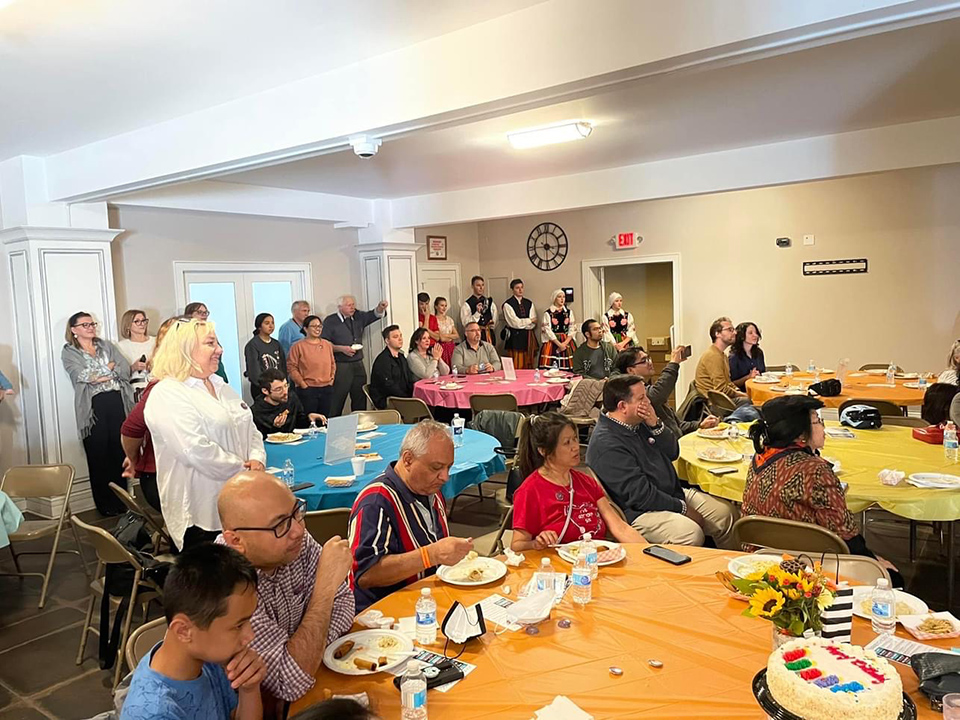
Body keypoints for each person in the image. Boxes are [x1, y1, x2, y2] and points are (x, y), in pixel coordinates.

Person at [218, 471, 355, 704]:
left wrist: (307, 648)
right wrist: (324, 591)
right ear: (236, 541)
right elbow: (290, 683)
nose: (298, 530)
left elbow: (345, 604)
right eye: (280, 524)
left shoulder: (292, 542)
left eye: (296, 512)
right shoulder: (227, 586)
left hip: (310, 688)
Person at [743, 395, 900, 582]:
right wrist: (873, 560)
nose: (823, 427)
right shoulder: (814, 469)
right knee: (892, 577)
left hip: (758, 559)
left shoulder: (759, 458)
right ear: (801, 433)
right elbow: (845, 533)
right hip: (806, 567)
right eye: (818, 421)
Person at [145, 318, 266, 550]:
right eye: (211, 343)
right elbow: (194, 450)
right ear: (185, 349)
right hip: (202, 514)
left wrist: (257, 458)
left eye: (217, 343)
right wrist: (244, 470)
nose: (219, 349)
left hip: (241, 502)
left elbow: (251, 429)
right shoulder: (168, 393)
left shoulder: (222, 386)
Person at [586, 375, 738, 548]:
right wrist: (682, 508)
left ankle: (729, 562)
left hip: (670, 493)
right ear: (622, 406)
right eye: (642, 398)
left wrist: (656, 424)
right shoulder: (607, 444)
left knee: (726, 514)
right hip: (638, 512)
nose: (648, 402)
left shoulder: (639, 421)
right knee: (690, 533)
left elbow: (673, 452)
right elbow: (641, 496)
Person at [120, 544, 265, 720]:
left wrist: (249, 689)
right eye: (239, 626)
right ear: (184, 631)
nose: (250, 636)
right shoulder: (155, 713)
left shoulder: (205, 656)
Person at [348, 421, 474, 612]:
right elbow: (365, 574)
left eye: (449, 467)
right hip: (383, 614)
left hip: (427, 600)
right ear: (407, 460)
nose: (445, 477)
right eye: (436, 467)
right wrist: (430, 555)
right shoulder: (376, 501)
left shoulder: (430, 490)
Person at [510, 412, 645, 551]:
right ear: (544, 451)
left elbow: (620, 527)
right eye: (567, 443)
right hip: (559, 561)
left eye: (575, 439)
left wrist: (648, 552)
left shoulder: (586, 482)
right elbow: (517, 545)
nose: (575, 447)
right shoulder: (530, 490)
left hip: (596, 557)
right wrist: (536, 544)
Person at [61, 311, 134, 516]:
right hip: (93, 406)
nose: (91, 327)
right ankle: (105, 505)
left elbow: (124, 369)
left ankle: (122, 501)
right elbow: (82, 375)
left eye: (92, 323)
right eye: (85, 325)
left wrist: (102, 373)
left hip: (116, 401)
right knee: (98, 455)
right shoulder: (69, 352)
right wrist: (108, 369)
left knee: (118, 452)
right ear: (74, 330)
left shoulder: (106, 346)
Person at [121, 316, 179, 513]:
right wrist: (134, 459)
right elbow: (131, 429)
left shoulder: (214, 384)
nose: (218, 350)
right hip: (166, 477)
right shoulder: (161, 388)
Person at [614, 346, 719, 438]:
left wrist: (700, 425)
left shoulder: (648, 390)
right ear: (630, 370)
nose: (650, 362)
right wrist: (673, 363)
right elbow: (657, 394)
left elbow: (677, 426)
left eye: (648, 358)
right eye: (644, 360)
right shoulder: (636, 395)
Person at [321, 295, 388, 416]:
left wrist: (380, 307)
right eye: (349, 305)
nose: (352, 307)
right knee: (338, 398)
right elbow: (324, 343)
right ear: (340, 307)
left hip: (358, 363)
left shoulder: (358, 316)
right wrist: (341, 349)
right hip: (341, 364)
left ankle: (359, 423)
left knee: (360, 397)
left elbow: (373, 315)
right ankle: (333, 423)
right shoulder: (330, 321)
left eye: (353, 304)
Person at [252, 369, 326, 438]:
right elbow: (259, 439)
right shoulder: (256, 412)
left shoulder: (291, 398)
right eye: (279, 389)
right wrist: (275, 427)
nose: (285, 392)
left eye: (285, 386)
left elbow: (300, 423)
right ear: (265, 391)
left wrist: (309, 418)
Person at [287, 315, 336, 417]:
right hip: (307, 389)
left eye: (320, 326)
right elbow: (291, 367)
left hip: (326, 388)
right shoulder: (297, 346)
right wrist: (302, 384)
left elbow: (332, 364)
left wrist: (331, 380)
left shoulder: (327, 344)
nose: (318, 329)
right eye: (314, 326)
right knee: (308, 419)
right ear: (305, 329)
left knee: (324, 419)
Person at [694, 316, 750, 403]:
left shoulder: (722, 355)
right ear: (717, 334)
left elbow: (728, 383)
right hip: (715, 403)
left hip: (722, 400)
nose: (735, 332)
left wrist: (738, 391)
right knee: (755, 402)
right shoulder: (713, 356)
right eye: (730, 330)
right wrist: (743, 395)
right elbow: (721, 389)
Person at [368, 325, 417, 409]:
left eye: (400, 336)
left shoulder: (401, 357)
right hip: (388, 400)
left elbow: (409, 378)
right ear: (387, 341)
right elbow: (389, 386)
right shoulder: (383, 360)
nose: (400, 339)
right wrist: (407, 398)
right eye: (395, 337)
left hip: (402, 397)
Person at [243, 313, 286, 397]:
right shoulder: (253, 345)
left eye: (272, 323)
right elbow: (253, 370)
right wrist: (265, 387)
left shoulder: (276, 344)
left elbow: (283, 365)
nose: (271, 326)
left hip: (278, 387)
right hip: (261, 388)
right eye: (267, 323)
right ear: (259, 326)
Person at [185, 302, 229, 383]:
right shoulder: (187, 335)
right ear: (189, 315)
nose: (204, 315)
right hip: (200, 377)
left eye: (205, 312)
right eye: (199, 312)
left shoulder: (210, 331)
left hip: (217, 374)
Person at [117, 308, 155, 397]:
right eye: (137, 321)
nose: (142, 324)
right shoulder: (121, 346)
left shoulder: (156, 342)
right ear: (128, 325)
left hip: (155, 384)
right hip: (135, 387)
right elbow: (118, 373)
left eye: (143, 321)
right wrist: (133, 368)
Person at [502, 279, 538, 370]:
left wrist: (526, 323)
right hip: (515, 338)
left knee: (529, 363)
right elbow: (515, 323)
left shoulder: (529, 303)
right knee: (517, 364)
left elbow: (533, 323)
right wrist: (529, 320)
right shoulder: (507, 305)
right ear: (512, 289)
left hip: (528, 336)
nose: (520, 290)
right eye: (517, 288)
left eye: (522, 287)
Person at [539, 289, 576, 369]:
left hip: (566, 340)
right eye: (559, 297)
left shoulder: (569, 312)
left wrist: (565, 343)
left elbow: (572, 328)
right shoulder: (548, 313)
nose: (562, 299)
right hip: (553, 341)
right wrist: (559, 344)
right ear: (554, 298)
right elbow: (547, 330)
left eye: (564, 297)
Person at [460, 275, 498, 346]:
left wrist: (489, 327)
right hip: (474, 336)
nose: (481, 288)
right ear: (472, 286)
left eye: (482, 285)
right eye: (478, 285)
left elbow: (495, 319)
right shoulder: (467, 304)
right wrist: (477, 313)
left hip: (488, 334)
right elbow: (466, 323)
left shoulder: (490, 302)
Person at [729, 321, 766, 389]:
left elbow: (763, 373)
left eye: (756, 332)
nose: (755, 335)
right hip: (742, 392)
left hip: (758, 388)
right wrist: (748, 377)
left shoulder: (759, 353)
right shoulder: (734, 357)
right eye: (750, 333)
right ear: (742, 336)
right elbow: (731, 384)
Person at [430, 296, 459, 367]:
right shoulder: (434, 320)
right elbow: (441, 338)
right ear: (436, 306)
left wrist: (444, 335)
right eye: (442, 305)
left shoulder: (449, 319)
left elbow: (456, 335)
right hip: (441, 347)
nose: (444, 308)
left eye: (445, 306)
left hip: (451, 346)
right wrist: (450, 336)